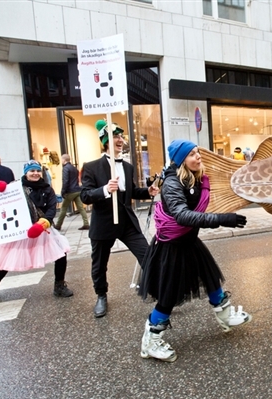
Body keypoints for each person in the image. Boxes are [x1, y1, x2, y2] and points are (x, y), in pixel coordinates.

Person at [137, 139, 251, 362]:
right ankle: (150, 340)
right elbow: (183, 215)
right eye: (191, 154)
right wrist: (222, 219)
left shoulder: (196, 179)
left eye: (197, 152)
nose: (198, 156)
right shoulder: (171, 184)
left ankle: (226, 316)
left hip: (188, 241)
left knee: (210, 278)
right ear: (180, 160)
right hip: (171, 248)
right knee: (168, 297)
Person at [80, 120, 159, 318]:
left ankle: (157, 290)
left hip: (127, 223)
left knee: (148, 255)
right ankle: (101, 295)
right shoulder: (91, 167)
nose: (120, 140)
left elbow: (131, 192)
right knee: (99, 264)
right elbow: (85, 196)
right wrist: (105, 189)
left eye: (121, 137)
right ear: (106, 140)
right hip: (103, 223)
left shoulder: (128, 167)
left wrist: (147, 191)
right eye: (116, 136)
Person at [0, 160, 73, 305]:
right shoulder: (15, 187)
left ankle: (59, 285)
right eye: (31, 171)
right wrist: (0, 189)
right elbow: (3, 199)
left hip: (40, 227)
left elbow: (52, 208)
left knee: (61, 253)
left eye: (37, 170)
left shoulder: (47, 188)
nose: (35, 173)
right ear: (26, 173)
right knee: (7, 258)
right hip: (20, 229)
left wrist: (44, 223)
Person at [55, 154, 89, 231]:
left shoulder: (65, 168)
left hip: (70, 191)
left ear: (64, 160)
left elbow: (65, 180)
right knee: (81, 208)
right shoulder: (74, 168)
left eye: (61, 159)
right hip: (77, 190)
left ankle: (58, 225)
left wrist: (63, 191)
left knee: (63, 207)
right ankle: (86, 223)